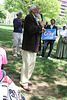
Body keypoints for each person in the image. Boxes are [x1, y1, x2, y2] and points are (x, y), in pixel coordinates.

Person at [20, 5, 45, 91]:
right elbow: (30, 30)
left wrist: (41, 30)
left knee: (31, 65)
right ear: (34, 10)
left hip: (34, 46)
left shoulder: (35, 19)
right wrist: (40, 26)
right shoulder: (29, 17)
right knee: (26, 65)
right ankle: (23, 82)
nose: (40, 11)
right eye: (39, 9)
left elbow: (35, 30)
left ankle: (27, 79)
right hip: (28, 45)